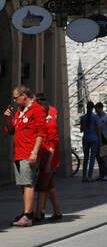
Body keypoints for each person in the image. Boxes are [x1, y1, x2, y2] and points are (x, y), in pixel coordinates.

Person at [3, 85, 46, 225]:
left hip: (29, 152)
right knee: (23, 184)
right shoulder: (20, 112)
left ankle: (27, 215)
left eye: (16, 98)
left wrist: (34, 152)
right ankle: (27, 211)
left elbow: (41, 133)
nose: (14, 101)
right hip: (19, 153)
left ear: (24, 97)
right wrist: (8, 119)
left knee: (28, 183)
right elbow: (11, 131)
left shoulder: (37, 110)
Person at [33, 93, 62, 222]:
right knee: (49, 186)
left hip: (49, 158)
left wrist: (48, 164)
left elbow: (52, 145)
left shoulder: (49, 123)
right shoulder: (50, 114)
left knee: (41, 186)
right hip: (48, 157)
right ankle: (57, 212)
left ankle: (38, 214)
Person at [79, 100, 101, 181]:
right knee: (92, 158)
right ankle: (90, 176)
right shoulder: (95, 117)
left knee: (85, 158)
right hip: (94, 138)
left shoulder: (83, 118)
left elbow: (81, 129)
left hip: (85, 138)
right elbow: (98, 129)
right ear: (93, 108)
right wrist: (100, 140)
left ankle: (84, 176)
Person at [93, 102, 107, 181]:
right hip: (97, 139)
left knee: (104, 157)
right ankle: (101, 174)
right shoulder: (96, 117)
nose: (96, 111)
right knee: (98, 158)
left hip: (104, 139)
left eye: (97, 109)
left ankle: (106, 174)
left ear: (100, 108)